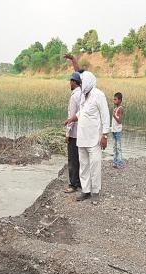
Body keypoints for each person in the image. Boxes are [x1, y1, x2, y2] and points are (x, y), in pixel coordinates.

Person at [64, 54, 110, 203]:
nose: (80, 85)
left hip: (94, 139)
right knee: (83, 166)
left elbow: (105, 116)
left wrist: (105, 135)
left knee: (95, 165)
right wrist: (72, 118)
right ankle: (86, 190)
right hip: (81, 138)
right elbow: (81, 112)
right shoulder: (84, 95)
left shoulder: (98, 95)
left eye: (82, 82)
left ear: (89, 82)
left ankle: (95, 193)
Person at [64, 72, 82, 193]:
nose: (69, 83)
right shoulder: (83, 94)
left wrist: (67, 134)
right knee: (81, 158)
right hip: (82, 133)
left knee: (72, 159)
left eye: (70, 81)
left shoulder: (74, 96)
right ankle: (80, 182)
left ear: (74, 82)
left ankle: (73, 185)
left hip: (74, 133)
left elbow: (72, 116)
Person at [111, 92, 124, 168]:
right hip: (114, 130)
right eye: (114, 99)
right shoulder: (115, 108)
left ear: (120, 100)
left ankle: (120, 163)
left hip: (118, 131)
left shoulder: (120, 109)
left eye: (115, 99)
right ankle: (115, 162)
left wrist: (114, 116)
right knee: (114, 146)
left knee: (118, 147)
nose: (114, 101)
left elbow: (120, 121)